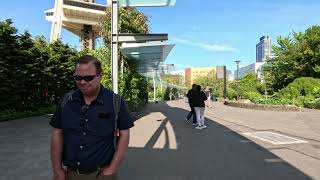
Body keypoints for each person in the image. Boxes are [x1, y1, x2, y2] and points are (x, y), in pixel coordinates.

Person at [50, 55, 134, 180]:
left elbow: (124, 135)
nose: (82, 82)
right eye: (77, 77)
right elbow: (57, 133)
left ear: (100, 76)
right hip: (71, 174)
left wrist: (112, 169)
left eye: (88, 78)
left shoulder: (115, 102)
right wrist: (57, 170)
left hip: (102, 174)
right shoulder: (66, 101)